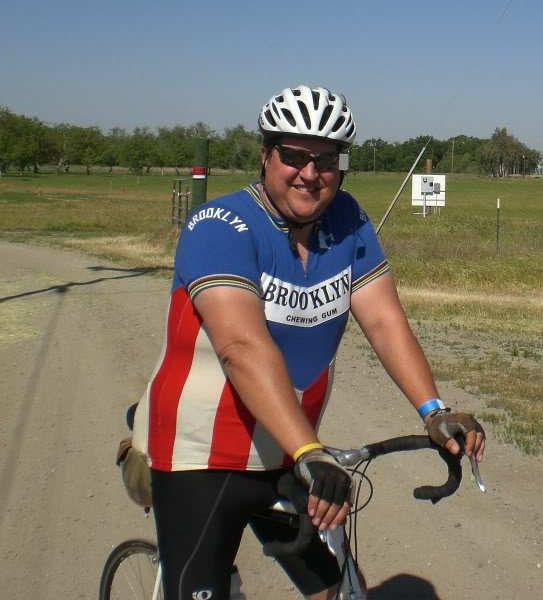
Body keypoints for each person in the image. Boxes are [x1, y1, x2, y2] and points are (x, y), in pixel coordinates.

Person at [131, 85, 485, 600]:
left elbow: (384, 321)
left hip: (291, 451)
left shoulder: (347, 219)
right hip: (202, 456)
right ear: (265, 156)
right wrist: (310, 450)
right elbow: (242, 347)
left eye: (326, 160)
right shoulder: (220, 225)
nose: (310, 173)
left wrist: (434, 411)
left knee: (337, 590)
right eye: (293, 156)